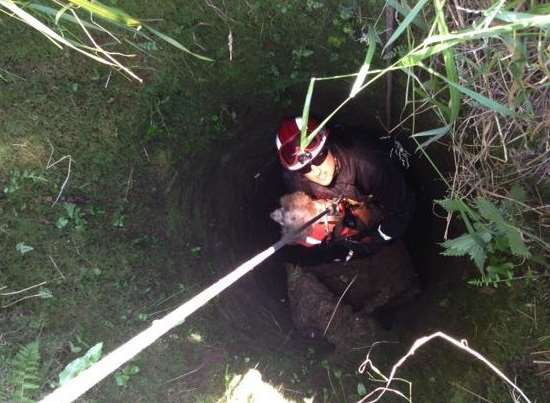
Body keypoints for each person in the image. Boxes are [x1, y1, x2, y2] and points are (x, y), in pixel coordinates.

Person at [276, 116, 415, 257]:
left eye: (319, 157)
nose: (316, 172)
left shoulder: (369, 166)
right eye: (305, 168)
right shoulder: (297, 180)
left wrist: (377, 236)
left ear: (328, 145)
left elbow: (402, 209)